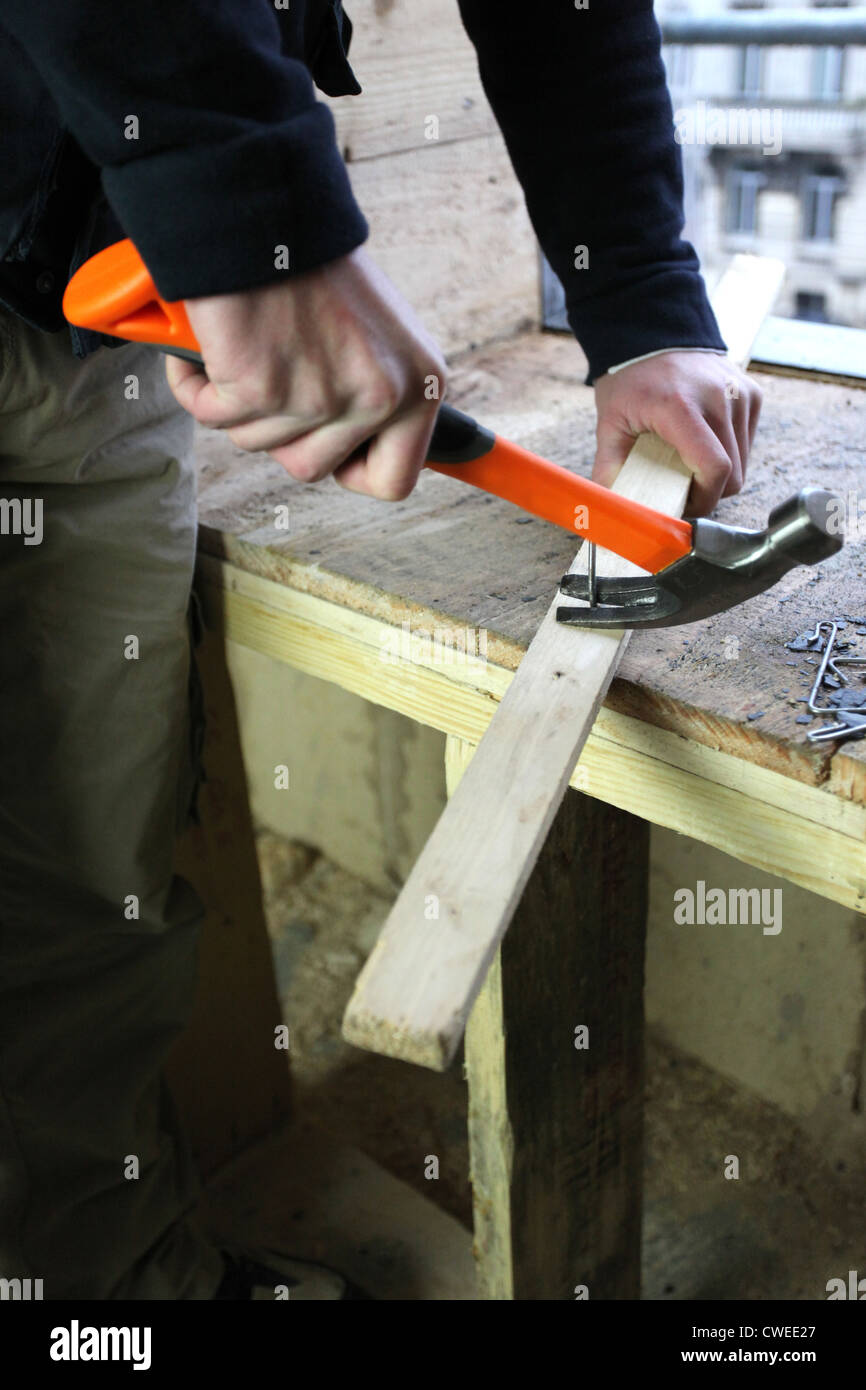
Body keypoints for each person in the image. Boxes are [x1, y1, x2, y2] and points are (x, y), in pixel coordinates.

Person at [0, 0, 762, 1300]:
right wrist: (239, 190)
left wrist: (637, 300)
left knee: (78, 903)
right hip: (148, 228)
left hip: (84, 322)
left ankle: (113, 1294)